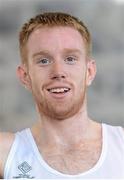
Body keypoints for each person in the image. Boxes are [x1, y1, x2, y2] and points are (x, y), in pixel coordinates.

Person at [0, 12, 124, 179]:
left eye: (70, 59)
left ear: (89, 72)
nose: (58, 72)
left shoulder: (121, 145)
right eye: (44, 61)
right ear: (25, 76)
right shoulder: (5, 154)